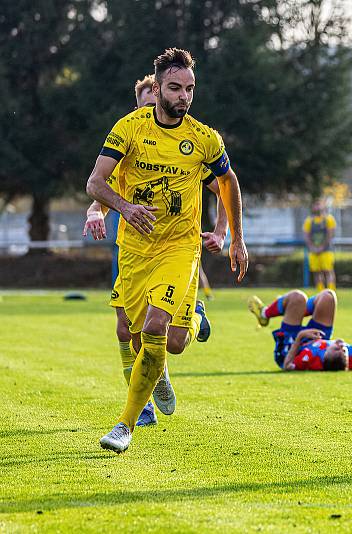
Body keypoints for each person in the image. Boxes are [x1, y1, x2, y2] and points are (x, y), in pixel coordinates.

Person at [86, 48, 248, 453]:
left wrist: (233, 237)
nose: (184, 96)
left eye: (190, 88)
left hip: (179, 247)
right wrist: (123, 208)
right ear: (156, 88)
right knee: (156, 340)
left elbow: (228, 184)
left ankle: (124, 426)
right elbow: (96, 183)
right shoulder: (129, 128)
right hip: (135, 249)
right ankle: (189, 324)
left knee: (156, 328)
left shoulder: (203, 138)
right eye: (176, 88)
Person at [247, 290, 352, 371]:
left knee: (297, 297)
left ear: (326, 356)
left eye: (336, 348)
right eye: (343, 348)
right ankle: (290, 308)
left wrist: (300, 336)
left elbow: (286, 365)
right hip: (320, 336)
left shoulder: (309, 358)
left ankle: (266, 314)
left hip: (292, 345)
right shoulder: (348, 355)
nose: (340, 345)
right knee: (328, 296)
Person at [303, 200, 337, 291]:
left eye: (318, 204)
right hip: (313, 251)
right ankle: (320, 293)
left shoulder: (329, 219)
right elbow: (306, 235)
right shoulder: (309, 221)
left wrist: (322, 247)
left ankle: (331, 292)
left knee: (328, 271)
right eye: (315, 204)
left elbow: (330, 235)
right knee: (317, 272)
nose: (317, 207)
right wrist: (312, 247)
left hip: (326, 250)